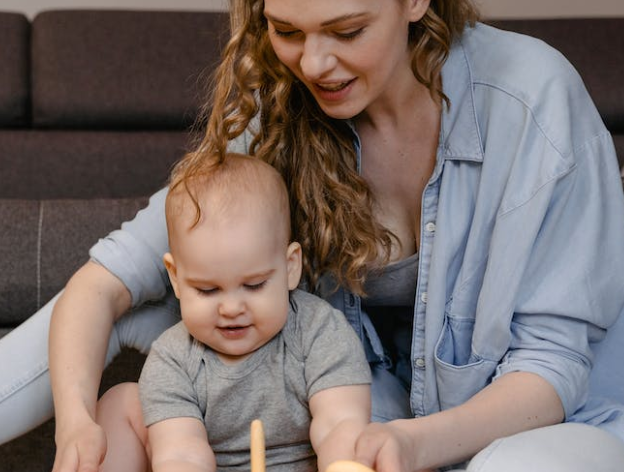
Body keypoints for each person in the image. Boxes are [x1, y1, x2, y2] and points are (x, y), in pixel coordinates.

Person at [1, 0, 624, 471]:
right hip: (361, 423)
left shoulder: (532, 100)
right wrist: (76, 425)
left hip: (545, 426)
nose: (315, 64)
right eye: (287, 31)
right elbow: (107, 281)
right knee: (155, 298)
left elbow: (551, 369)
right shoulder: (285, 102)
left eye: (347, 31)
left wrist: (407, 444)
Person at [94, 152, 372, 472]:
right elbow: (181, 454)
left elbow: (340, 425)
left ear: (289, 267)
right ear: (176, 278)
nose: (231, 309)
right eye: (208, 290)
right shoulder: (173, 359)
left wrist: (343, 462)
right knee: (119, 402)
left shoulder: (321, 331)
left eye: (254, 285)